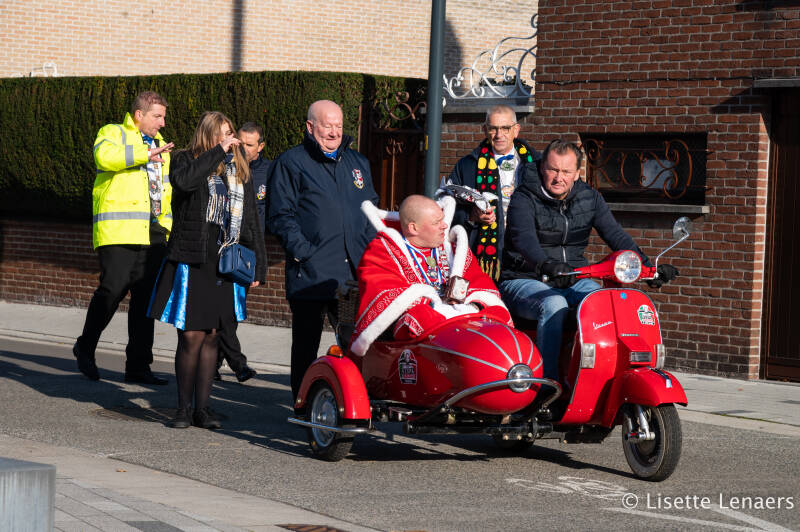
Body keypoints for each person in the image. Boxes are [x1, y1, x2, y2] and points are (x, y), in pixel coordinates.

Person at [499, 139, 679, 380]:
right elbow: (524, 240)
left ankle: (598, 379)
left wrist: (648, 268)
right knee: (554, 305)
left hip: (573, 277)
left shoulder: (589, 197)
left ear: (577, 173)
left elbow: (615, 234)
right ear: (542, 168)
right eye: (553, 169)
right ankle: (547, 385)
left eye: (566, 171)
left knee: (604, 302)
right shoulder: (524, 197)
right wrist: (546, 265)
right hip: (525, 278)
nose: (558, 177)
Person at [148, 111, 267, 429]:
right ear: (208, 135)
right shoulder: (186, 159)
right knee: (190, 337)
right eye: (222, 133)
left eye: (231, 133)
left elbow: (252, 218)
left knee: (213, 337)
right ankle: (183, 409)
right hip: (193, 257)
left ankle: (203, 409)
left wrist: (260, 264)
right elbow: (185, 183)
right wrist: (217, 151)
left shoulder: (238, 166)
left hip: (225, 262)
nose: (229, 138)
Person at [268, 100, 378, 401]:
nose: (334, 132)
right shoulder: (291, 162)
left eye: (339, 125)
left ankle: (351, 404)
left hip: (351, 275)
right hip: (312, 274)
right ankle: (303, 406)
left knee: (356, 343)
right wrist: (304, 251)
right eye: (327, 125)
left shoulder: (358, 163)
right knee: (306, 344)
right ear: (310, 127)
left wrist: (370, 252)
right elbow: (280, 215)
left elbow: (371, 212)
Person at [73, 91, 175, 384]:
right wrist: (144, 154)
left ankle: (138, 367)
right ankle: (86, 347)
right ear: (139, 115)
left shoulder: (159, 145)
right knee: (112, 291)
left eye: (164, 116)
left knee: (145, 302)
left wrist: (166, 227)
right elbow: (105, 158)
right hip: (119, 231)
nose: (163, 122)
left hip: (153, 233)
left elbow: (164, 190)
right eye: (158, 116)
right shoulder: (112, 132)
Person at [350, 195, 511, 355]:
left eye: (442, 219)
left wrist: (473, 306)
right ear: (414, 228)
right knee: (419, 318)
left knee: (499, 313)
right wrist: (434, 306)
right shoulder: (383, 250)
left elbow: (479, 282)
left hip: (464, 316)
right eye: (436, 223)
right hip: (419, 328)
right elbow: (383, 290)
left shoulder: (454, 249)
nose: (445, 225)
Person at [442, 105, 541, 281]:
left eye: (505, 128)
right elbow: (445, 209)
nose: (499, 134)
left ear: (516, 130)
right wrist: (471, 216)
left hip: (529, 251)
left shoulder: (537, 163)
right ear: (485, 130)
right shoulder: (467, 165)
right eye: (493, 128)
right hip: (484, 253)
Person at [214, 122, 272, 383]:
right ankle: (233, 364)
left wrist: (260, 263)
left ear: (260, 147)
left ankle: (216, 362)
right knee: (224, 310)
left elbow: (261, 222)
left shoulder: (269, 173)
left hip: (246, 254)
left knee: (233, 311)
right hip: (223, 249)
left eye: (250, 145)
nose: (244, 148)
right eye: (241, 142)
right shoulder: (226, 166)